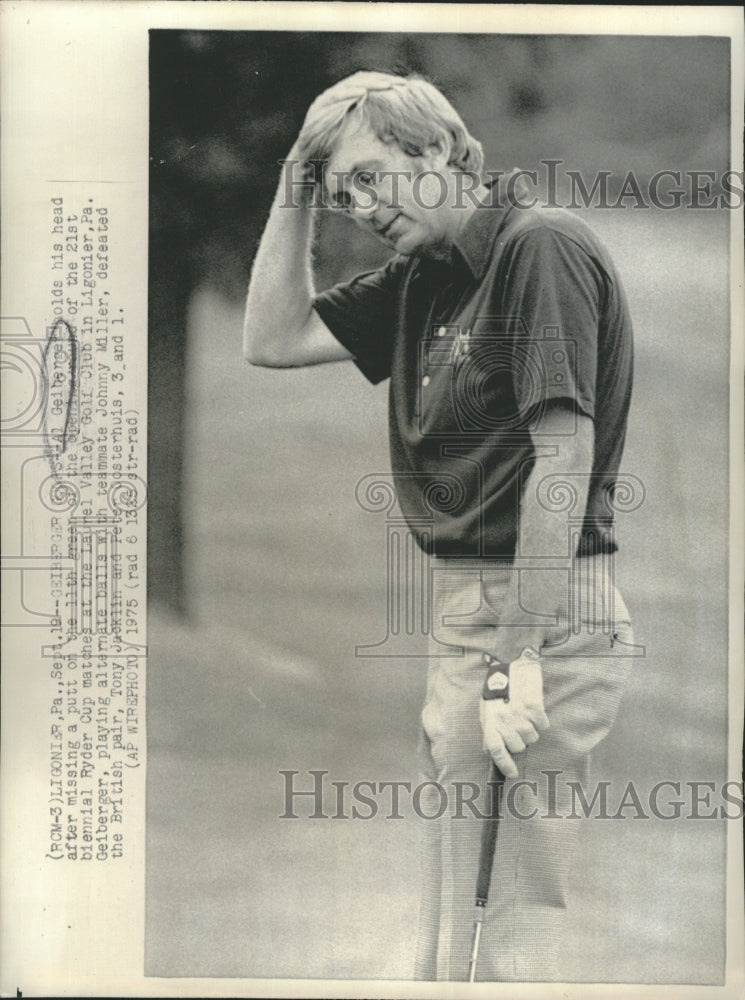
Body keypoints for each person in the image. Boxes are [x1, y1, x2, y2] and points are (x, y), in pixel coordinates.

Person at [243, 71, 636, 982]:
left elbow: (561, 461)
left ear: (443, 151)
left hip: (542, 611)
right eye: (340, 196)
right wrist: (292, 187)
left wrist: (517, 657)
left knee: (506, 931)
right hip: (476, 611)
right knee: (450, 939)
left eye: (371, 177)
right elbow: (271, 338)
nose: (360, 209)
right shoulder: (427, 275)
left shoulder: (536, 249)